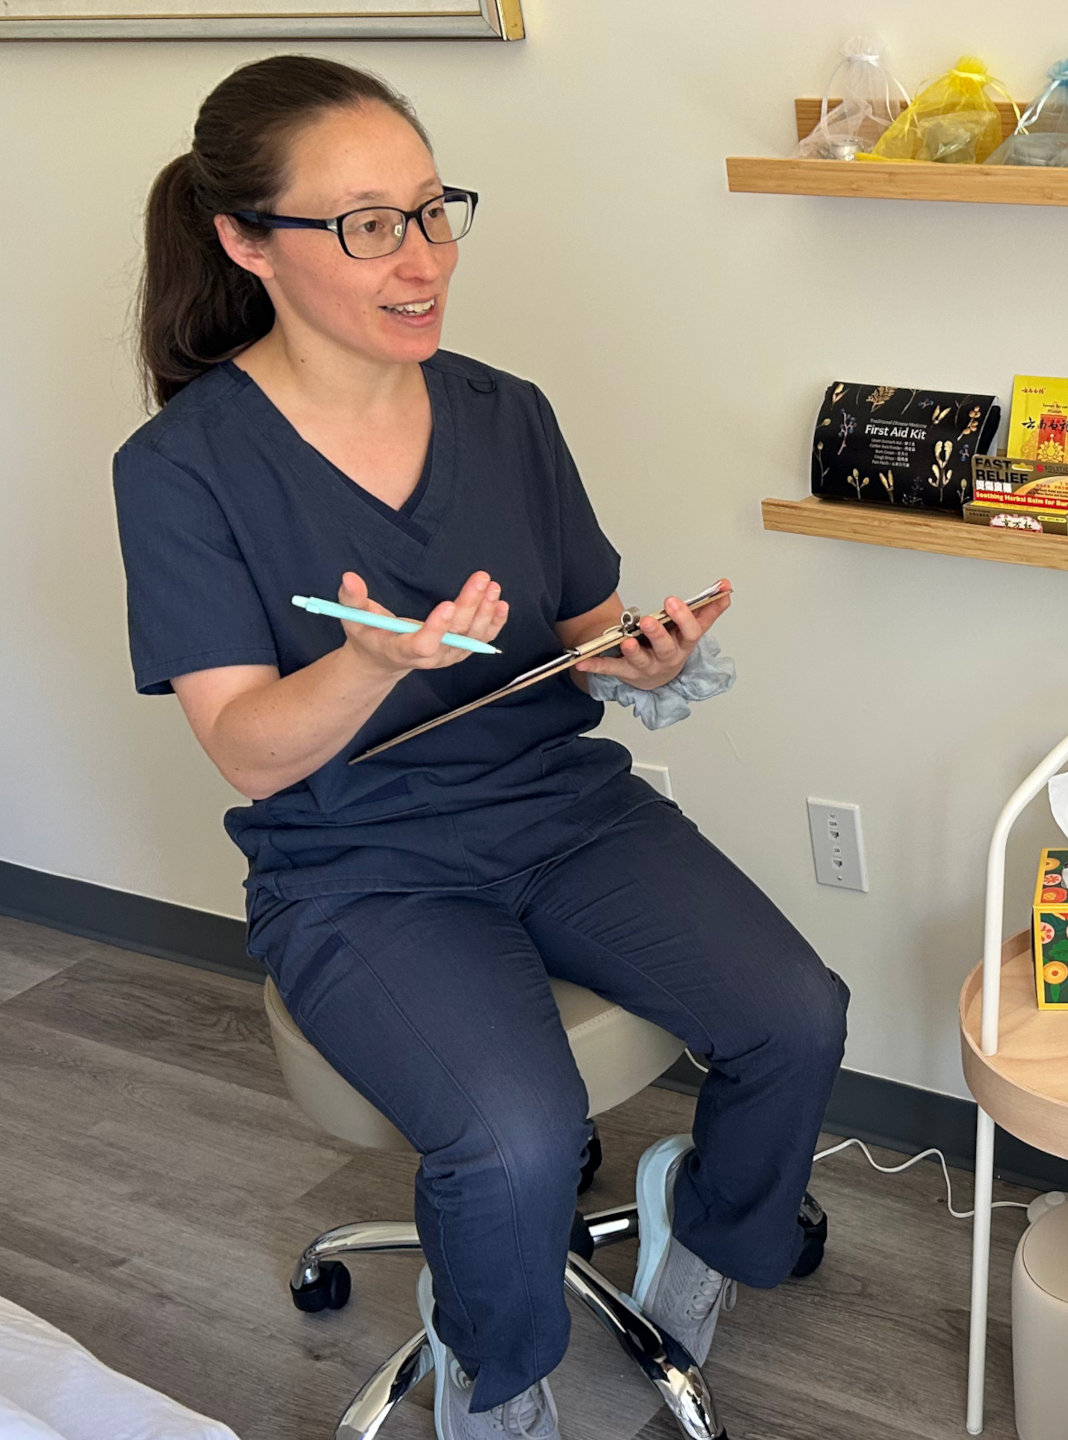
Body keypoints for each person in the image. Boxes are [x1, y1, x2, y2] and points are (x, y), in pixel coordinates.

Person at [112, 56, 849, 1440]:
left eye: (431, 210)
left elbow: (580, 624)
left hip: (562, 809)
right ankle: (495, 1381)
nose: (422, 258)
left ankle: (714, 1232)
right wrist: (364, 666)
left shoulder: (507, 414)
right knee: (512, 1138)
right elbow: (252, 754)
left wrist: (651, 658)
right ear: (243, 242)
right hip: (357, 865)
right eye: (366, 225)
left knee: (796, 1014)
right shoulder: (181, 472)